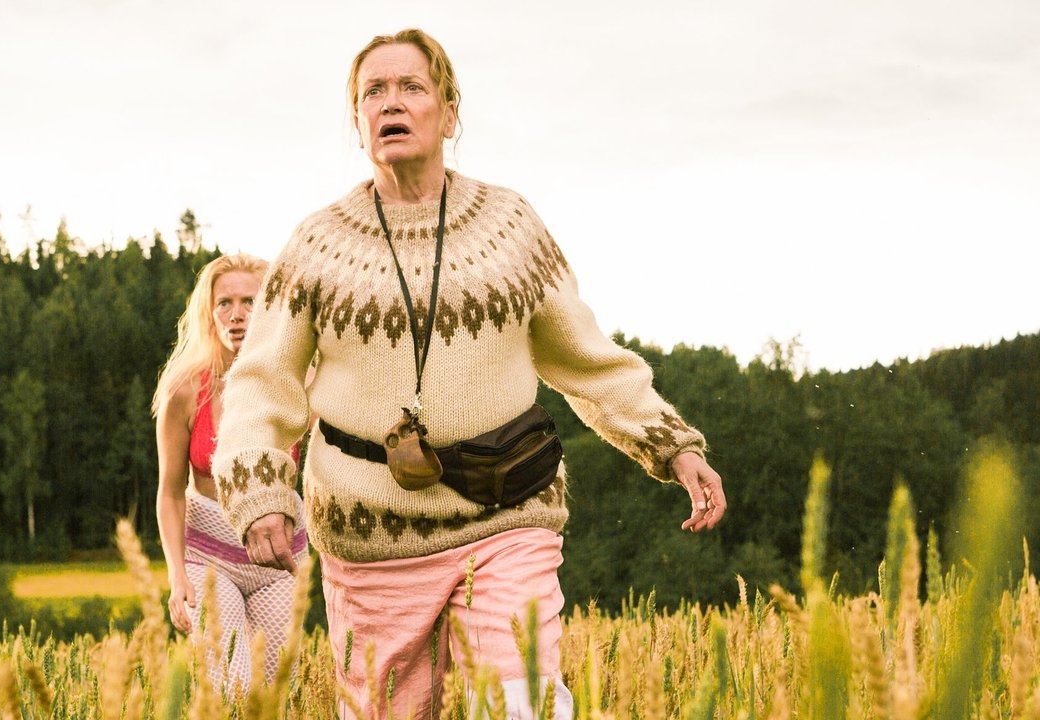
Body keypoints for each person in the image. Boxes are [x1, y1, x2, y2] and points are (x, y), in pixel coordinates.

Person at [211, 28, 728, 719]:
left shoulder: (510, 226)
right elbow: (260, 381)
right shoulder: (317, 245)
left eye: (411, 87)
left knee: (524, 705)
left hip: (505, 511)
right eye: (373, 92)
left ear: (449, 114)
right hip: (371, 538)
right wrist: (258, 489)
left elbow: (586, 358)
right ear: (358, 122)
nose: (390, 102)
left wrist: (672, 444)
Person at [151, 253, 308, 689]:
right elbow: (170, 492)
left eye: (250, 302)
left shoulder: (295, 381)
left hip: (279, 558)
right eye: (225, 303)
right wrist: (176, 574)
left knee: (278, 694)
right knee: (231, 692)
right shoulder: (184, 391)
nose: (237, 315)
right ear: (209, 312)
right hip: (208, 557)